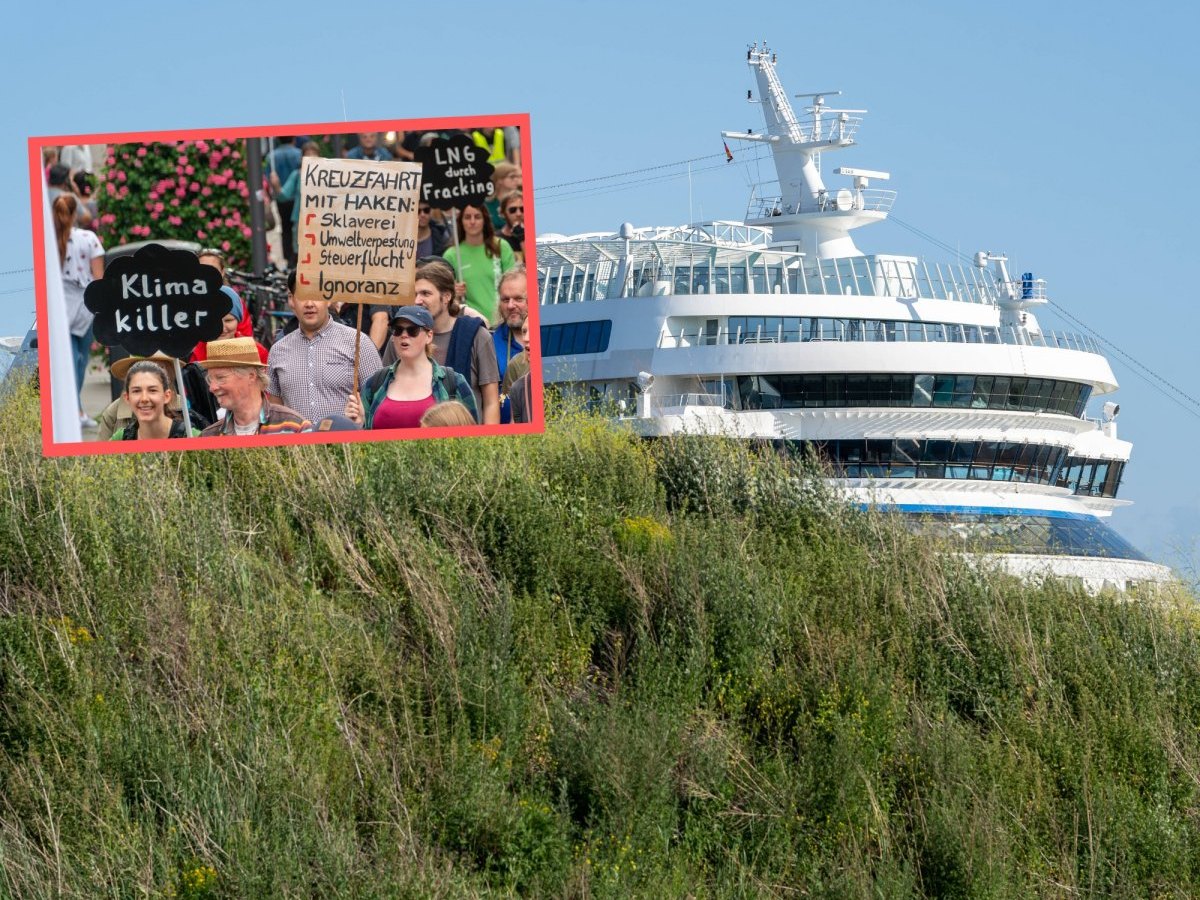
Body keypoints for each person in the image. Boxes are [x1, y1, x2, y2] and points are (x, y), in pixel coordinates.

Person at [392, 262, 499, 424]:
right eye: (414, 294)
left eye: (425, 293)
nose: (417, 300)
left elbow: (491, 401)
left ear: (446, 297)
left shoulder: (477, 335)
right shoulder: (401, 336)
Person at [267, 280, 382, 422]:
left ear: (329, 299)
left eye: (315, 295)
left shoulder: (358, 342)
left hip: (347, 442)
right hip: (297, 443)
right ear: (292, 301)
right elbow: (275, 410)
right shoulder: (278, 350)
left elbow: (379, 399)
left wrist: (362, 418)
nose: (309, 303)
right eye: (302, 296)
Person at [345, 306, 476, 429]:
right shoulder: (375, 383)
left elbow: (472, 435)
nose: (404, 335)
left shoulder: (453, 382)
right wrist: (357, 423)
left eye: (412, 330)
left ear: (429, 336)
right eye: (398, 329)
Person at [53, 193, 104, 427]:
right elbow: (98, 280)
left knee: (70, 361)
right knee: (80, 361)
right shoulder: (89, 238)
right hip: (84, 307)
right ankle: (76, 411)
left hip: (60, 306)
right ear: (74, 214)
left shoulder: (50, 240)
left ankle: (76, 410)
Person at [199, 337, 309, 436]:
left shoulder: (294, 427)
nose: (212, 388)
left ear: (251, 376)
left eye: (220, 378)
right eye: (210, 380)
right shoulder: (208, 436)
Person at [441, 202, 515, 324]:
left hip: (503, 321)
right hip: (472, 325)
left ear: (485, 220)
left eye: (477, 216)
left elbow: (514, 285)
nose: (472, 221)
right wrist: (454, 292)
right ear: (461, 221)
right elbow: (444, 296)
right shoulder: (452, 254)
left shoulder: (501, 246)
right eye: (467, 217)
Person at [109, 361, 201, 440]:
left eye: (152, 390)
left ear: (167, 396)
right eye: (136, 391)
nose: (144, 398)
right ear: (127, 398)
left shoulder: (191, 436)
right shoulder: (121, 439)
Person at [189, 287, 267, 364]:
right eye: (214, 320)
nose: (222, 328)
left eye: (228, 320)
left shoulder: (257, 353)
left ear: (238, 321)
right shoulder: (193, 351)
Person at [268, 137, 302, 269]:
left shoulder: (272, 156)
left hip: (282, 196)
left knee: (286, 228)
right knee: (295, 228)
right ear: (293, 140)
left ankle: (289, 257)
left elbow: (268, 176)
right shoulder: (299, 153)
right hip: (297, 197)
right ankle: (294, 257)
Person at [485, 161, 521, 229]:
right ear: (499, 180)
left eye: (517, 177)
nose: (516, 180)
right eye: (512, 177)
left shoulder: (521, 200)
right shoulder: (487, 204)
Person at [496, 190, 525, 261]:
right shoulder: (496, 239)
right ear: (503, 213)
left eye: (522, 209)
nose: (518, 214)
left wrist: (522, 238)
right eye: (513, 210)